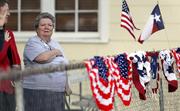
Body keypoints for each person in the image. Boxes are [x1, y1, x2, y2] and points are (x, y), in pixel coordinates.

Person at [23, 12, 69, 111]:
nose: (46, 27)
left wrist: (66, 86)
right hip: (37, 92)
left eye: (50, 25)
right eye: (43, 25)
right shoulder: (32, 42)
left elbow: (63, 65)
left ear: (53, 28)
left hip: (57, 92)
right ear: (36, 28)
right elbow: (42, 58)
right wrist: (56, 52)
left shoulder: (55, 43)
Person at [0, 0, 21, 111]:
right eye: (6, 10)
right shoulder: (6, 37)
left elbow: (15, 58)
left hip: (9, 85)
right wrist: (6, 42)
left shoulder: (8, 33)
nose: (9, 13)